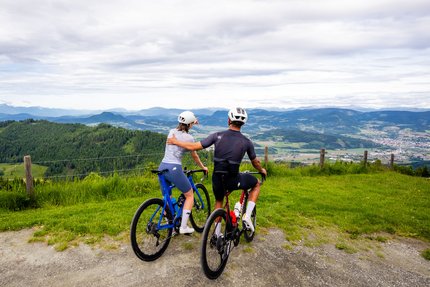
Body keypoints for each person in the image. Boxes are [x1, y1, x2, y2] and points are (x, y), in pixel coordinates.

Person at [167, 107, 267, 233]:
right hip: (233, 179)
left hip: (217, 179)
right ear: (243, 123)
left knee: (219, 200)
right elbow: (255, 162)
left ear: (228, 120)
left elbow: (194, 146)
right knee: (256, 184)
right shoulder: (247, 142)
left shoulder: (217, 135)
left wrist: (176, 141)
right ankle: (247, 216)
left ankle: (217, 233)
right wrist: (262, 169)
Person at [159, 111, 208, 234]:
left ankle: (171, 224)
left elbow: (184, 126)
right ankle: (183, 227)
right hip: (174, 168)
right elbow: (195, 156)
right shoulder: (190, 138)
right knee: (189, 195)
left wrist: (192, 122)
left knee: (167, 197)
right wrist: (203, 167)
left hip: (162, 166)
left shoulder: (171, 132)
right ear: (189, 124)